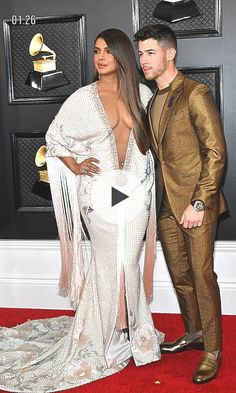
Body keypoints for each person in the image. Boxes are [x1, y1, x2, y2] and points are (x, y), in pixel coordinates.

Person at [0, 29, 164, 392]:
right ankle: (99, 340)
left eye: (107, 51)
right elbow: (54, 137)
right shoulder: (82, 98)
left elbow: (155, 144)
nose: (100, 57)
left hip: (135, 191)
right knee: (108, 262)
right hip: (99, 192)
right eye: (96, 51)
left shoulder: (143, 94)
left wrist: (148, 182)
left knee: (129, 261)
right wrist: (75, 166)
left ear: (123, 55)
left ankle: (131, 332)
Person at [134, 24, 228, 384]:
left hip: (195, 204)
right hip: (165, 204)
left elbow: (216, 153)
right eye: (140, 53)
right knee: (181, 276)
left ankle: (213, 351)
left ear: (170, 53)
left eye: (150, 52)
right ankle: (195, 333)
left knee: (202, 276)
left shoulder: (195, 93)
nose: (144, 59)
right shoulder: (154, 99)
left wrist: (200, 202)